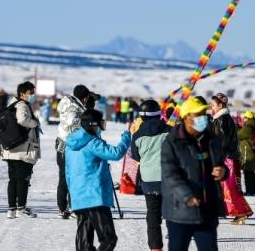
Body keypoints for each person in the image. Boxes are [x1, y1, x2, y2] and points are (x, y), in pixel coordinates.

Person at [161, 97, 227, 251]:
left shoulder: (211, 139)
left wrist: (223, 171)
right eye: (198, 114)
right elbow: (170, 174)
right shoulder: (172, 142)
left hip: (207, 210)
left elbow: (220, 164)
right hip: (180, 212)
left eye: (204, 113)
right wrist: (187, 196)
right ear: (186, 118)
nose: (202, 117)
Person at [66, 109, 130, 251]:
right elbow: (116, 153)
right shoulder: (92, 142)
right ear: (93, 124)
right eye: (100, 124)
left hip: (79, 197)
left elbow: (68, 171)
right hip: (94, 197)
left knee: (84, 243)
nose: (101, 128)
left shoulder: (70, 145)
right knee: (108, 239)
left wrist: (71, 193)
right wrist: (126, 138)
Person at [131, 99, 170, 251]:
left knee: (153, 215)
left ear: (142, 116)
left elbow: (135, 157)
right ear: (159, 114)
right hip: (169, 177)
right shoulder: (169, 130)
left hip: (148, 179)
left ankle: (155, 248)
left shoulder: (137, 135)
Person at [209, 93, 252, 224]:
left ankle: (240, 213)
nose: (212, 108)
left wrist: (216, 152)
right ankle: (239, 212)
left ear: (220, 105)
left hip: (227, 158)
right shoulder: (219, 118)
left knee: (230, 187)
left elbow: (223, 140)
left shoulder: (223, 119)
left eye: (213, 105)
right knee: (226, 187)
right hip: (226, 157)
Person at [1, 81, 41, 219]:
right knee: (23, 180)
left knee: (13, 180)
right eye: (31, 93)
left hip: (10, 149)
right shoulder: (22, 105)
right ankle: (21, 208)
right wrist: (35, 122)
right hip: (22, 150)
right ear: (22, 94)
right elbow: (22, 120)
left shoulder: (11, 104)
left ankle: (11, 209)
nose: (33, 96)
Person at [56, 85, 95, 218]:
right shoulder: (74, 108)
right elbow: (71, 120)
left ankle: (63, 208)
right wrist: (85, 122)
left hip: (62, 144)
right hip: (70, 146)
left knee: (64, 178)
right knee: (73, 178)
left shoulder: (67, 103)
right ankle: (73, 208)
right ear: (84, 98)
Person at [238, 111, 255, 196]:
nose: (243, 119)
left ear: (248, 118)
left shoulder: (248, 127)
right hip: (253, 152)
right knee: (251, 173)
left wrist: (237, 128)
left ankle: (250, 191)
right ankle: (254, 190)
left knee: (247, 173)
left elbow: (238, 135)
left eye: (245, 117)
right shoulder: (254, 126)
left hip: (249, 153)